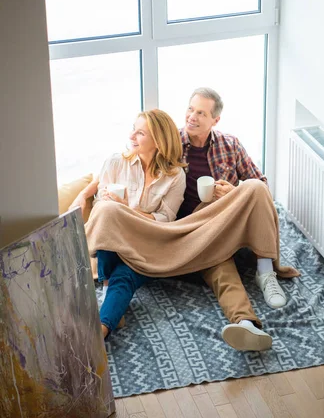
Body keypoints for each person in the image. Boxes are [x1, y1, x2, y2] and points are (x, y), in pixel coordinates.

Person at [75, 89, 300, 351]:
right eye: (190, 109)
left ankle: (258, 293)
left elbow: (262, 187)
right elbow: (112, 170)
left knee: (253, 191)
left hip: (215, 222)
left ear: (215, 120)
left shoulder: (229, 146)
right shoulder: (171, 143)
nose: (192, 117)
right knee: (219, 269)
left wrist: (233, 191)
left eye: (201, 113)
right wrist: (84, 193)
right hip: (179, 230)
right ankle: (246, 321)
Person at [87, 109, 186, 339]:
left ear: (159, 142)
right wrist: (118, 210)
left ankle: (99, 326)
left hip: (148, 246)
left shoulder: (175, 176)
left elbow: (164, 220)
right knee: (108, 213)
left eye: (140, 133)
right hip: (112, 244)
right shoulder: (115, 162)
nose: (131, 136)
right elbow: (102, 211)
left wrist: (126, 211)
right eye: (133, 129)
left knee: (125, 276)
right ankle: (103, 319)